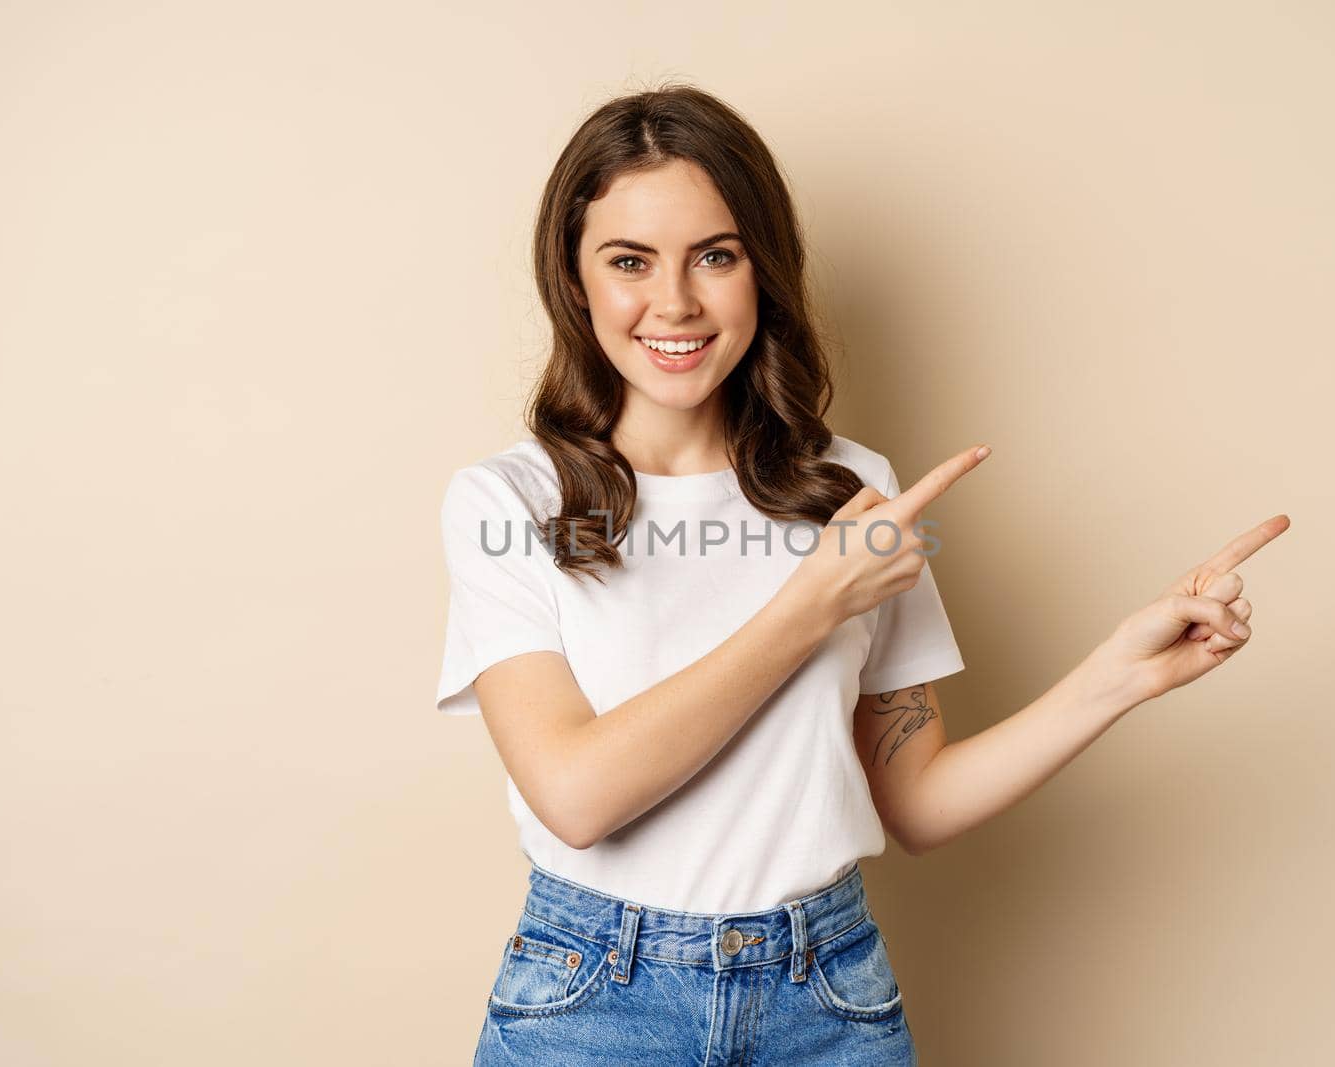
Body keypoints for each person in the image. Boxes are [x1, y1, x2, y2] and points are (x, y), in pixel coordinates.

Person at [434, 83, 1289, 1066]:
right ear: (575, 279)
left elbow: (915, 801)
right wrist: (808, 606)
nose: (673, 302)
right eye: (629, 261)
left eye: (716, 255)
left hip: (825, 995)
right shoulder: (507, 502)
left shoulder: (854, 492)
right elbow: (576, 794)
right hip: (592, 997)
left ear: (764, 272)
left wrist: (1124, 673)